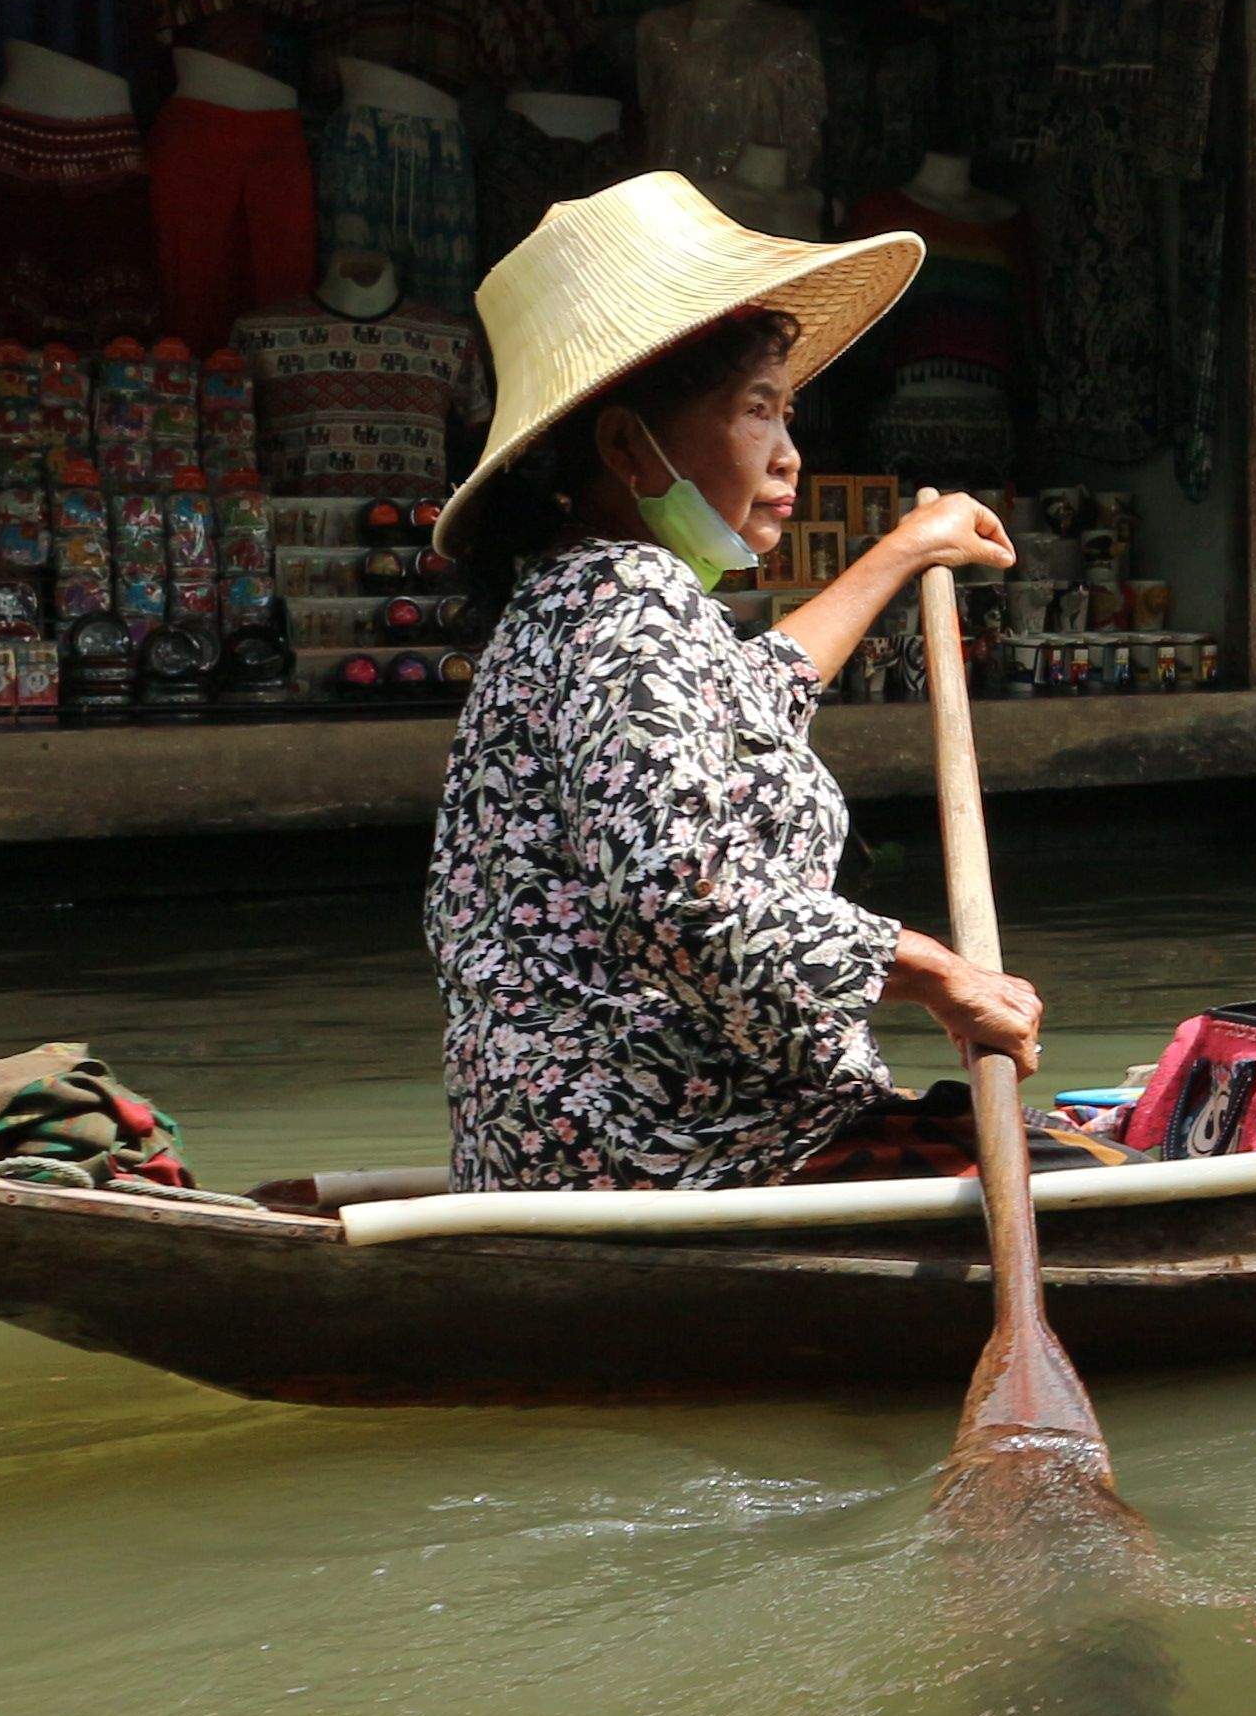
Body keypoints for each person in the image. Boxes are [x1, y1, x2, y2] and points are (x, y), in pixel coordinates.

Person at [428, 172, 1046, 1190]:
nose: (789, 455)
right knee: (1057, 1164)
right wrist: (939, 976)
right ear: (627, 444)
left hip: (597, 1137)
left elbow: (753, 696)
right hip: (671, 1148)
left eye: (789, 413)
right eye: (759, 410)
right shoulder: (625, 604)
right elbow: (686, 897)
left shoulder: (586, 596)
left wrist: (899, 554)